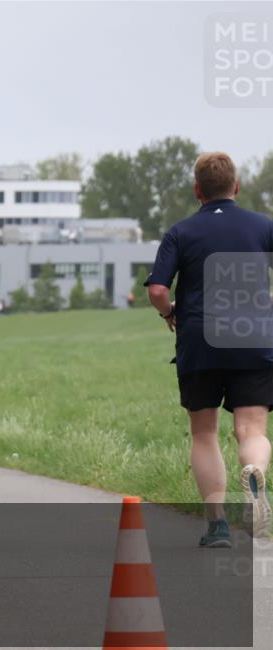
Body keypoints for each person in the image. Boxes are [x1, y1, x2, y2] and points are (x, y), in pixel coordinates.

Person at [145, 151, 272, 546]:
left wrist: (170, 313)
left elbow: (157, 289)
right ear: (236, 186)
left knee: (204, 434)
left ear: (197, 190)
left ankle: (217, 525)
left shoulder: (181, 232)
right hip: (253, 338)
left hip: (200, 339)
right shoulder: (263, 227)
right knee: (250, 428)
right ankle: (254, 476)